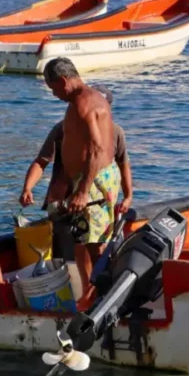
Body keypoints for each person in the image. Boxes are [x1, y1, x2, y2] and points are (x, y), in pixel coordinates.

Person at [41, 57, 121, 246]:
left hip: (92, 181)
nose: (54, 94)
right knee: (92, 240)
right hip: (100, 177)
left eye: (54, 89)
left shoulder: (82, 105)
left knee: (88, 245)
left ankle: (93, 276)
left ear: (63, 80)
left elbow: (96, 149)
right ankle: (93, 275)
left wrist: (83, 191)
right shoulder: (91, 97)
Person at [19, 86, 134, 217]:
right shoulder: (62, 129)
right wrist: (27, 188)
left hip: (98, 200)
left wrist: (128, 196)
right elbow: (41, 162)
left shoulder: (115, 132)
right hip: (63, 198)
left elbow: (123, 164)